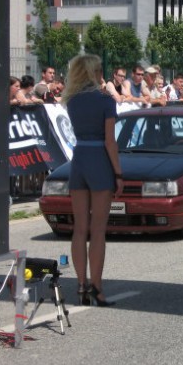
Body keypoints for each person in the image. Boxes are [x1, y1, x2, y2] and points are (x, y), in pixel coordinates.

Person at [62, 54, 120, 307]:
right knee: (98, 230)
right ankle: (98, 288)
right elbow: (110, 140)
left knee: (79, 228)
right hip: (98, 159)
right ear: (95, 72)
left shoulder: (72, 101)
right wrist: (118, 173)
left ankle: (81, 285)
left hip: (80, 158)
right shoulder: (105, 101)